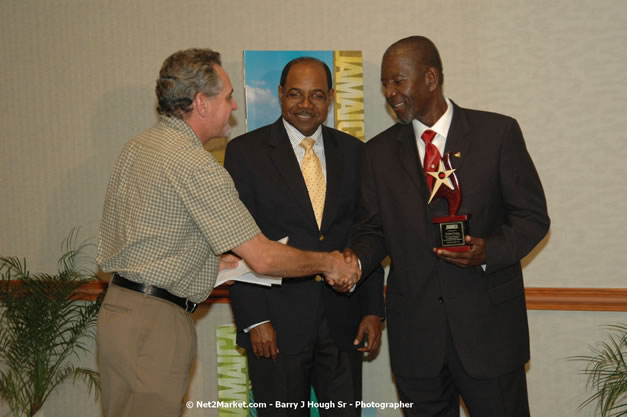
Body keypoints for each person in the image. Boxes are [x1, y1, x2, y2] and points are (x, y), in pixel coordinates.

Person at [95, 49, 361, 417]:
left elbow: (153, 242)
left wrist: (216, 264)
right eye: (227, 97)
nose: (234, 106)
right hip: (156, 325)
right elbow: (264, 258)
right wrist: (330, 262)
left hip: (119, 313)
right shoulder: (194, 165)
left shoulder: (140, 146)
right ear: (202, 103)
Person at [347, 36, 550, 417]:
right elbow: (372, 230)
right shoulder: (376, 153)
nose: (390, 93)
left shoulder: (497, 134)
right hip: (416, 341)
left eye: (398, 81)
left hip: (488, 334)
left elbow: (533, 219)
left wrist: (489, 251)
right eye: (385, 83)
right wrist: (355, 261)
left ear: (430, 78)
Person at [224, 57, 385, 417]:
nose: (305, 105)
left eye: (316, 96)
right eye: (295, 94)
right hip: (276, 325)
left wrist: (373, 309)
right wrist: (254, 319)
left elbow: (367, 230)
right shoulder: (245, 153)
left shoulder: (357, 153)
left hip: (344, 320)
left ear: (330, 98)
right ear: (280, 95)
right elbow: (236, 238)